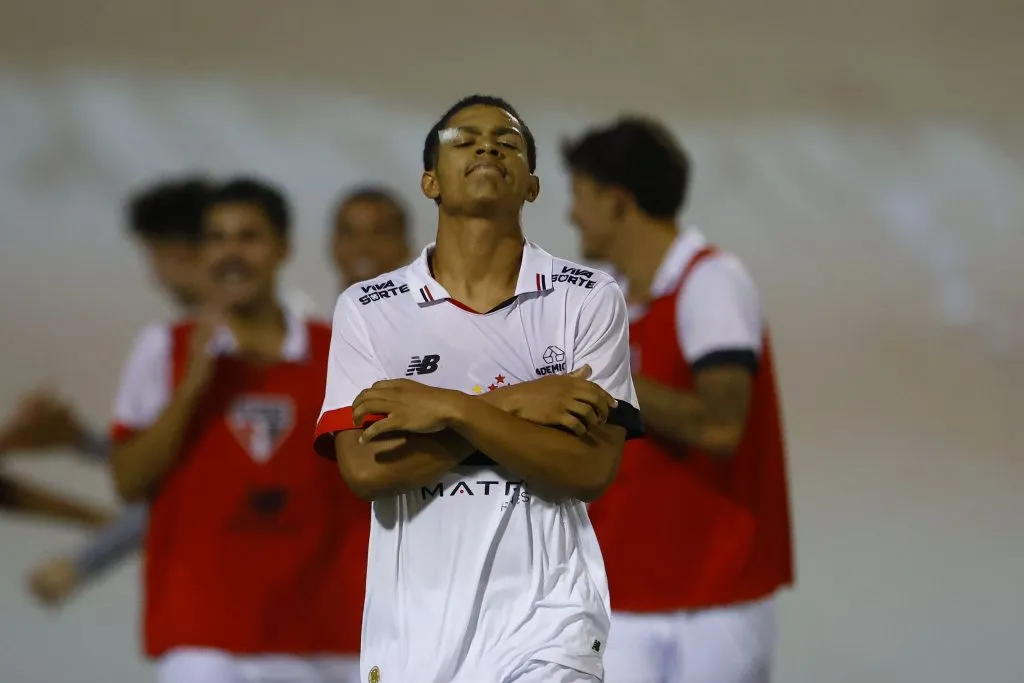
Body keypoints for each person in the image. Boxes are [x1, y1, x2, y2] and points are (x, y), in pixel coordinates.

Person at [314, 95, 643, 683]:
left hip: (552, 624)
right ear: (430, 181)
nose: (488, 146)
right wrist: (511, 405)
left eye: (507, 141)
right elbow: (366, 471)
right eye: (464, 139)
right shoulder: (368, 308)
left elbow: (588, 469)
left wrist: (439, 408)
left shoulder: (588, 296)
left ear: (533, 186)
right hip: (414, 634)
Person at [561, 117, 794, 683]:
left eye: (581, 197)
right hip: (625, 594)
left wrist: (607, 380)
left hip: (714, 600)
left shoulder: (712, 282)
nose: (572, 214)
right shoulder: (605, 301)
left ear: (618, 203)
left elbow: (720, 426)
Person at [108, 177, 362, 683]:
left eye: (248, 237)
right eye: (217, 238)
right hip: (203, 638)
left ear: (283, 247)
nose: (231, 253)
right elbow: (128, 481)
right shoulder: (164, 348)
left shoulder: (339, 349)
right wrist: (191, 389)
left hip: (322, 637)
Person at [23, 177, 320, 607]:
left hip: (289, 583)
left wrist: (82, 563)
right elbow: (194, 460)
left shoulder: (293, 335)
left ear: (178, 256)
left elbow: (215, 484)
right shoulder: (181, 342)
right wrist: (81, 442)